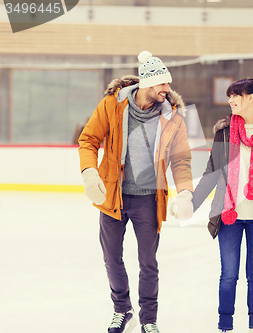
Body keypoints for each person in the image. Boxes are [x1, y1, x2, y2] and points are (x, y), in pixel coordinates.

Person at [78, 51, 194, 333]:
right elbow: (89, 139)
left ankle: (149, 319)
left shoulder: (172, 117)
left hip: (148, 200)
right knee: (111, 257)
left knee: (148, 262)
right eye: (162, 85)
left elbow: (181, 159)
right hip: (113, 196)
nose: (167, 90)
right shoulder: (113, 105)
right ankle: (122, 309)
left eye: (168, 84)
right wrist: (89, 172)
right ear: (147, 84)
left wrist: (186, 192)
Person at [190, 78, 253, 333]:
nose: (231, 100)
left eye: (236, 95)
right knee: (228, 276)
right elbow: (212, 172)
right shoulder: (225, 131)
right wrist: (191, 203)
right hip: (229, 216)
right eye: (230, 96)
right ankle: (225, 325)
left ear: (251, 98)